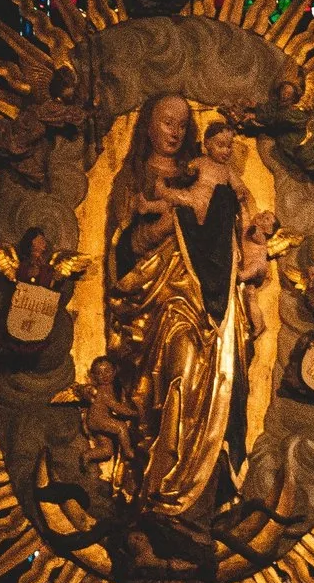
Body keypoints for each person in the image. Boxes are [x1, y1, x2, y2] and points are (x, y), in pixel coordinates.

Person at [102, 93, 241, 516]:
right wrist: (165, 227)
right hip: (152, 302)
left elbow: (224, 229)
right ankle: (152, 486)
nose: (175, 132)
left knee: (193, 375)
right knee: (161, 383)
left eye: (182, 124)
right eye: (166, 122)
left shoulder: (201, 174)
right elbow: (120, 255)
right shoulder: (133, 178)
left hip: (200, 296)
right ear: (148, 126)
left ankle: (188, 492)